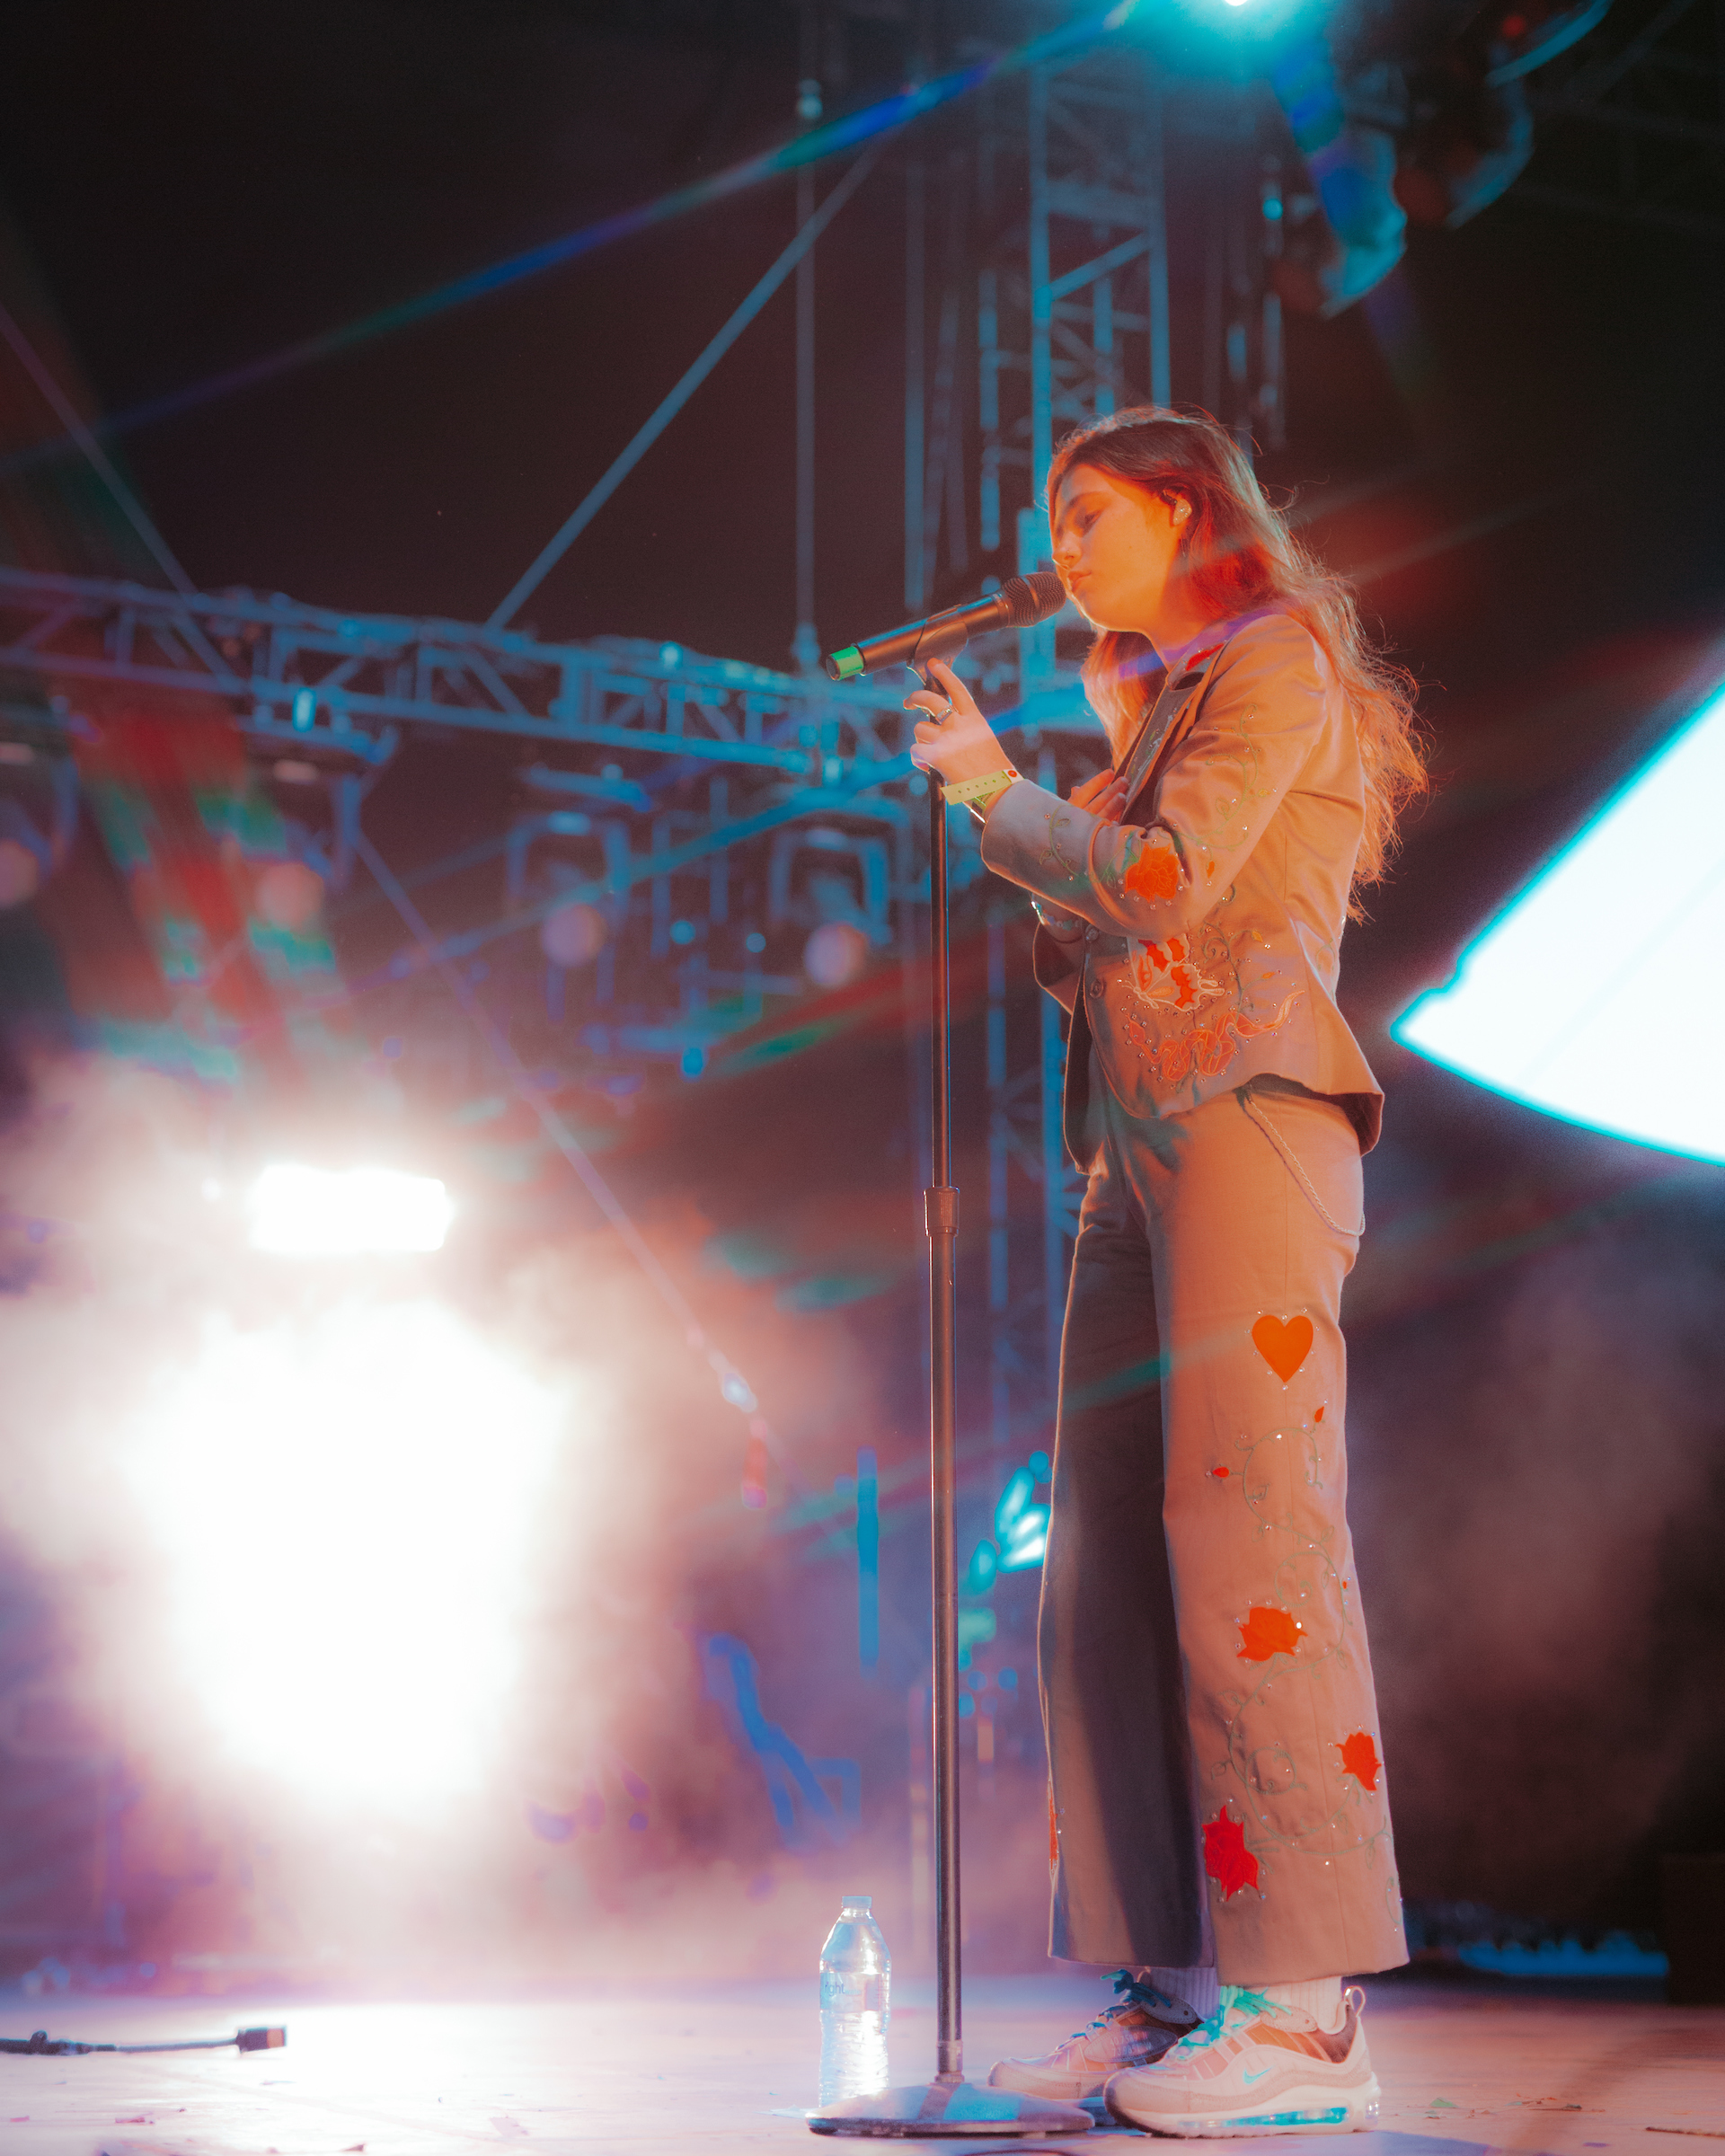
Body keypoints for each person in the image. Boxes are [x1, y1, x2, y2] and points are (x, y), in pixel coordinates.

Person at [906, 406, 1425, 2137]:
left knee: (1252, 1542)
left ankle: (1306, 2009)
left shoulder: (1273, 661)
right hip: (1128, 1157)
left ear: (1189, 512)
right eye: (1052, 518)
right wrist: (1031, 814)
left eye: (1091, 513)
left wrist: (999, 793)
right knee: (1104, 1568)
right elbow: (1101, 930)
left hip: (1251, 1130)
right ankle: (1161, 1991)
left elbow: (1167, 882)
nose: (1062, 546)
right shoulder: (1152, 712)